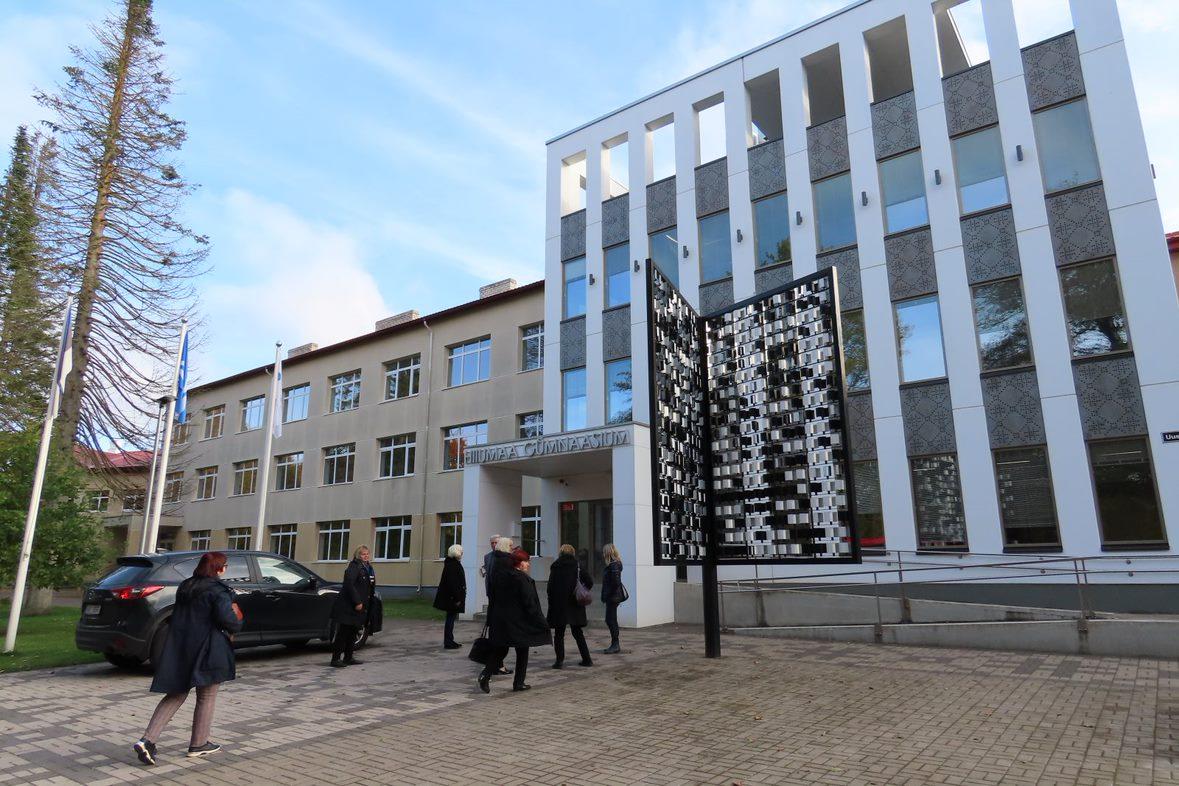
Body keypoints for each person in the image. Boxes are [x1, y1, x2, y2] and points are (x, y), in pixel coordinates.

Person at [133, 552, 243, 765]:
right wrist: (237, 618)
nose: (226, 569)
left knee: (176, 693)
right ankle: (199, 744)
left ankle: (147, 740)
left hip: (182, 647)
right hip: (208, 649)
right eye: (225, 565)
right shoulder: (218, 590)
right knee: (207, 695)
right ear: (219, 568)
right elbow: (228, 621)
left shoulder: (186, 586)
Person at [478, 547, 550, 693]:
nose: (528, 564)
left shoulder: (500, 576)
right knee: (522, 650)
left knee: (500, 649)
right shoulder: (522, 579)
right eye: (526, 561)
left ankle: (485, 674)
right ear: (519, 563)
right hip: (520, 622)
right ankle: (519, 683)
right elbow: (529, 603)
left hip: (501, 620)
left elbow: (493, 597)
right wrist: (541, 622)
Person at [546, 543, 593, 669]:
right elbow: (589, 582)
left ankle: (559, 661)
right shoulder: (577, 566)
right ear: (573, 553)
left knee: (559, 634)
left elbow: (550, 587)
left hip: (559, 605)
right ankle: (587, 659)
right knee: (578, 633)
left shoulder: (555, 566)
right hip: (575, 604)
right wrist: (581, 590)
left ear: (560, 553)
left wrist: (552, 601)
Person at [329, 545, 375, 668]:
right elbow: (349, 584)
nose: (366, 556)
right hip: (349, 606)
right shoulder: (354, 566)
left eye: (367, 554)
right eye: (363, 554)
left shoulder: (367, 567)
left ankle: (348, 657)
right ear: (358, 555)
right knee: (343, 632)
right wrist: (357, 602)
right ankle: (335, 658)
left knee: (353, 632)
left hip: (360, 606)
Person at [433, 543, 466, 649]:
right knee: (450, 619)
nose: (462, 553)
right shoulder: (452, 565)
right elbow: (453, 583)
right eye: (461, 551)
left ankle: (450, 640)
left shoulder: (451, 564)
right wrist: (457, 598)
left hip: (451, 597)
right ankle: (448, 641)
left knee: (450, 618)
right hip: (452, 598)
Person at [601, 543, 627, 654]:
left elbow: (615, 583)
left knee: (610, 620)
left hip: (613, 597)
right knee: (611, 620)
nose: (603, 554)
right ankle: (615, 644)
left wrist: (607, 594)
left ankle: (615, 644)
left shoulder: (613, 565)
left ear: (607, 552)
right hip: (612, 597)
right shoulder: (614, 564)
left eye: (604, 552)